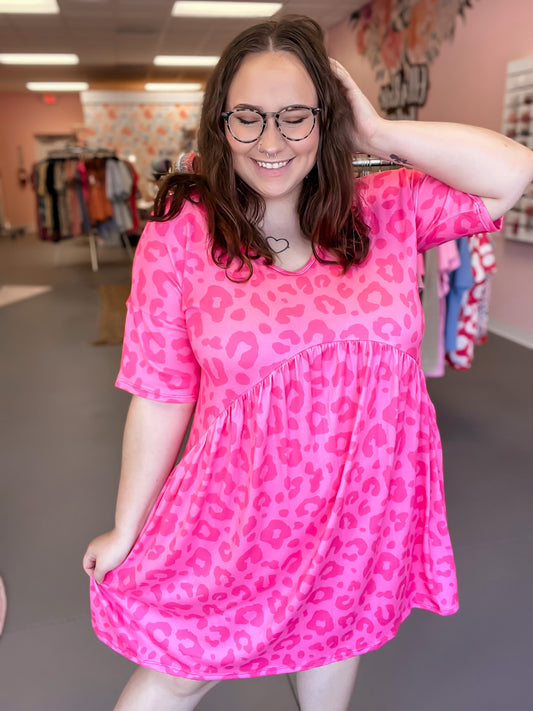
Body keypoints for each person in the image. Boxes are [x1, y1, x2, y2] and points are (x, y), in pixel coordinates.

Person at [83, 15, 533, 711]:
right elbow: (160, 390)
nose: (271, 141)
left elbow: (511, 173)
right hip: (235, 513)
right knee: (182, 669)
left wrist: (378, 133)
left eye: (295, 117)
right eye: (248, 118)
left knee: (334, 646)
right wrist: (126, 525)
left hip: (360, 507)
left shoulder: (385, 208)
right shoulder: (181, 236)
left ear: (328, 118)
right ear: (220, 122)